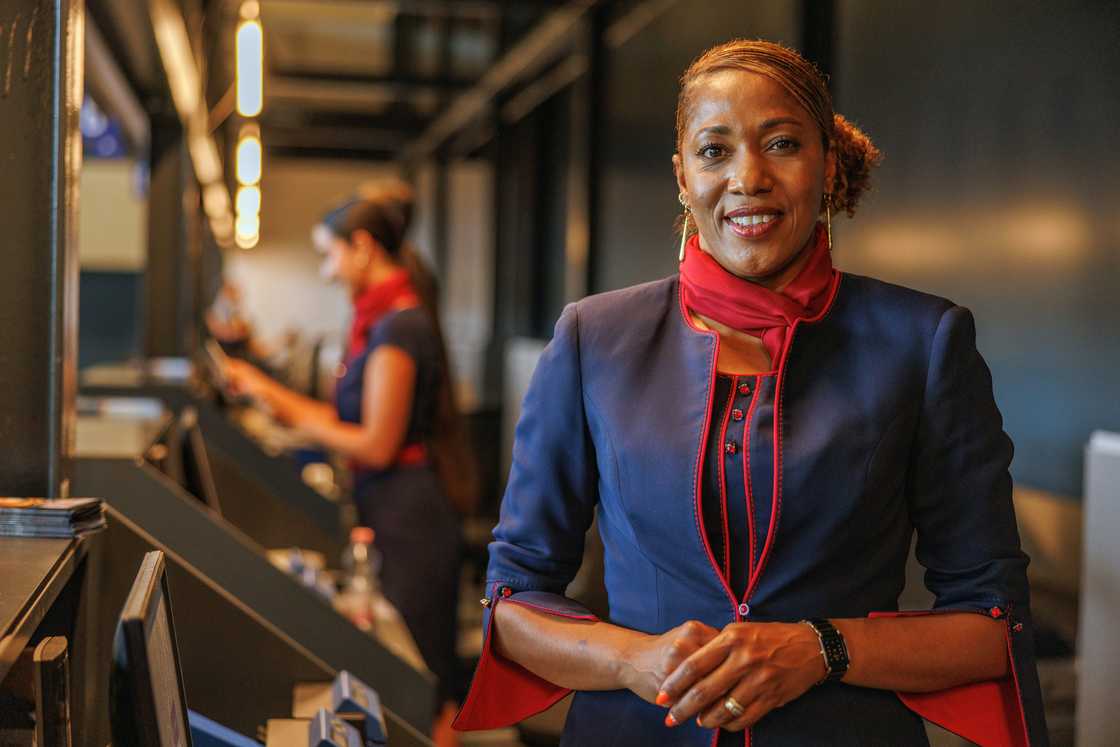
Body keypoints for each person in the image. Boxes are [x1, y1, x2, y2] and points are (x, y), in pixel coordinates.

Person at [452, 39, 1047, 746]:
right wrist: (636, 658)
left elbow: (990, 622)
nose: (748, 177)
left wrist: (820, 648)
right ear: (681, 176)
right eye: (714, 151)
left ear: (827, 165)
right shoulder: (595, 338)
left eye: (783, 143)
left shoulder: (924, 341)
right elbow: (513, 603)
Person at [222, 183, 475, 740]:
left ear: (362, 247)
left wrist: (272, 395)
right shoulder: (378, 321)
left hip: (411, 521)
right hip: (389, 508)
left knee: (421, 682)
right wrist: (274, 397)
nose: (328, 270)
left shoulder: (399, 327)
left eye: (329, 253)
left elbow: (374, 442)